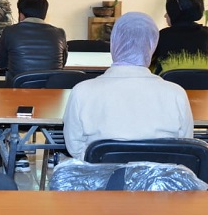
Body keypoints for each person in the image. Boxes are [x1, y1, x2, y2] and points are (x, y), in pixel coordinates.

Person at [63, 12, 194, 160]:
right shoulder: (176, 93)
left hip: (103, 180)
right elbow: (186, 145)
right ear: (152, 46)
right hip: (160, 180)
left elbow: (74, 147)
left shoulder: (82, 92)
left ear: (114, 43)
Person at [0, 0, 68, 86]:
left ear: (21, 15)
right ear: (44, 14)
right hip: (52, 92)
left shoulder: (10, 31)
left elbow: (0, 63)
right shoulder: (59, 33)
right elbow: (63, 63)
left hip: (17, 92)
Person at [151, 0, 208, 74]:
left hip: (171, 85)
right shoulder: (206, 33)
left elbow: (150, 63)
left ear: (175, 14)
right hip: (203, 85)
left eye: (169, 12)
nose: (165, 16)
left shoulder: (164, 35)